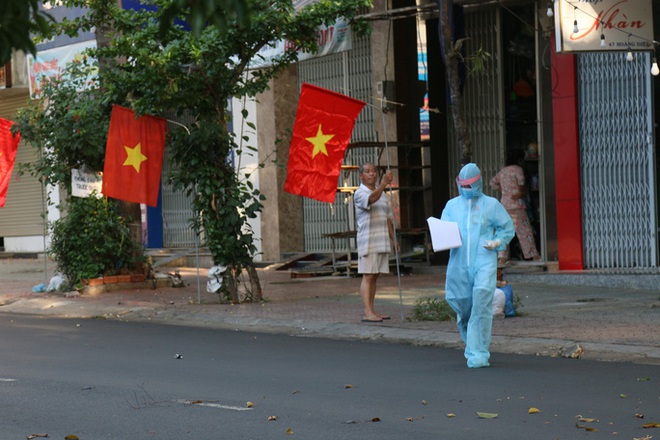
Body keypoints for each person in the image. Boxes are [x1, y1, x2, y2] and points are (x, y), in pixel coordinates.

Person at [441, 163, 514, 368]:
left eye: (470, 186)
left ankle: (479, 353)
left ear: (479, 183)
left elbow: (506, 227)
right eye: (463, 186)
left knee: (481, 303)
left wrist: (498, 242)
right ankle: (472, 343)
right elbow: (444, 231)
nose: (466, 190)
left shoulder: (490, 205)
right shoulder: (451, 206)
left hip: (484, 260)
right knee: (463, 306)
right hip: (458, 263)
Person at [354, 163, 395, 323]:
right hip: (368, 240)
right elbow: (371, 199)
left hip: (382, 240)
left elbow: (388, 218)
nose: (371, 174)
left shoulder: (382, 194)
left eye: (374, 171)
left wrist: (394, 239)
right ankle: (367, 312)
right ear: (361, 176)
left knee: (375, 275)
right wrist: (384, 184)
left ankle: (372, 309)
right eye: (367, 171)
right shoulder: (360, 193)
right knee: (368, 275)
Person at [490, 150, 541, 265]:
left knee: (504, 231)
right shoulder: (518, 170)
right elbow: (521, 183)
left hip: (504, 206)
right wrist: (519, 192)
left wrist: (503, 191)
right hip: (516, 205)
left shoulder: (503, 171)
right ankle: (532, 255)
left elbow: (492, 183)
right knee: (524, 231)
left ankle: (502, 257)